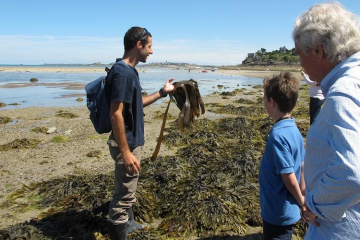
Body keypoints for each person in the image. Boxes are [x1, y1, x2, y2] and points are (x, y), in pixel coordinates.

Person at [293, 2, 360, 239]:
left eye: (299, 53)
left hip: (341, 227)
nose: (299, 63)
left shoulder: (344, 92)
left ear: (318, 51)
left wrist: (314, 205)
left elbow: (352, 173)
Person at [105, 26, 174, 240]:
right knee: (123, 197)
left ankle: (130, 224)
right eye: (149, 46)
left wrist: (162, 93)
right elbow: (115, 114)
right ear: (138, 45)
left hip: (132, 142)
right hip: (127, 143)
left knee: (129, 189)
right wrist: (126, 152)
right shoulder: (123, 73)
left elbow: (137, 104)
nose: (151, 51)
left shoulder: (130, 71)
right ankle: (119, 232)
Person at [259, 72, 305, 240]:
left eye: (264, 99)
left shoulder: (278, 136)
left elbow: (289, 177)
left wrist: (302, 203)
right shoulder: (294, 130)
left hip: (277, 212)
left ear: (272, 102)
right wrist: (304, 193)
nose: (264, 102)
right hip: (286, 210)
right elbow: (302, 165)